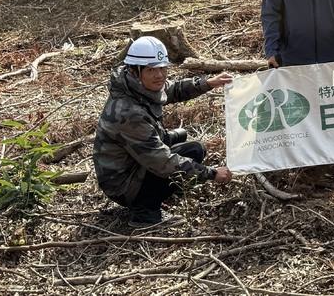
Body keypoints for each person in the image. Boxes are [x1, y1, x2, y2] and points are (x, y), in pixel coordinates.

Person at [93, 36, 234, 228]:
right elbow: (161, 161)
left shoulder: (136, 87)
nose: (159, 75)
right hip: (122, 185)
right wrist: (211, 174)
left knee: (193, 148)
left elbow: (173, 89)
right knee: (181, 158)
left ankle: (151, 196)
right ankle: (145, 212)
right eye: (151, 69)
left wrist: (208, 83)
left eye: (163, 68)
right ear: (134, 71)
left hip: (131, 165)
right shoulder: (128, 112)